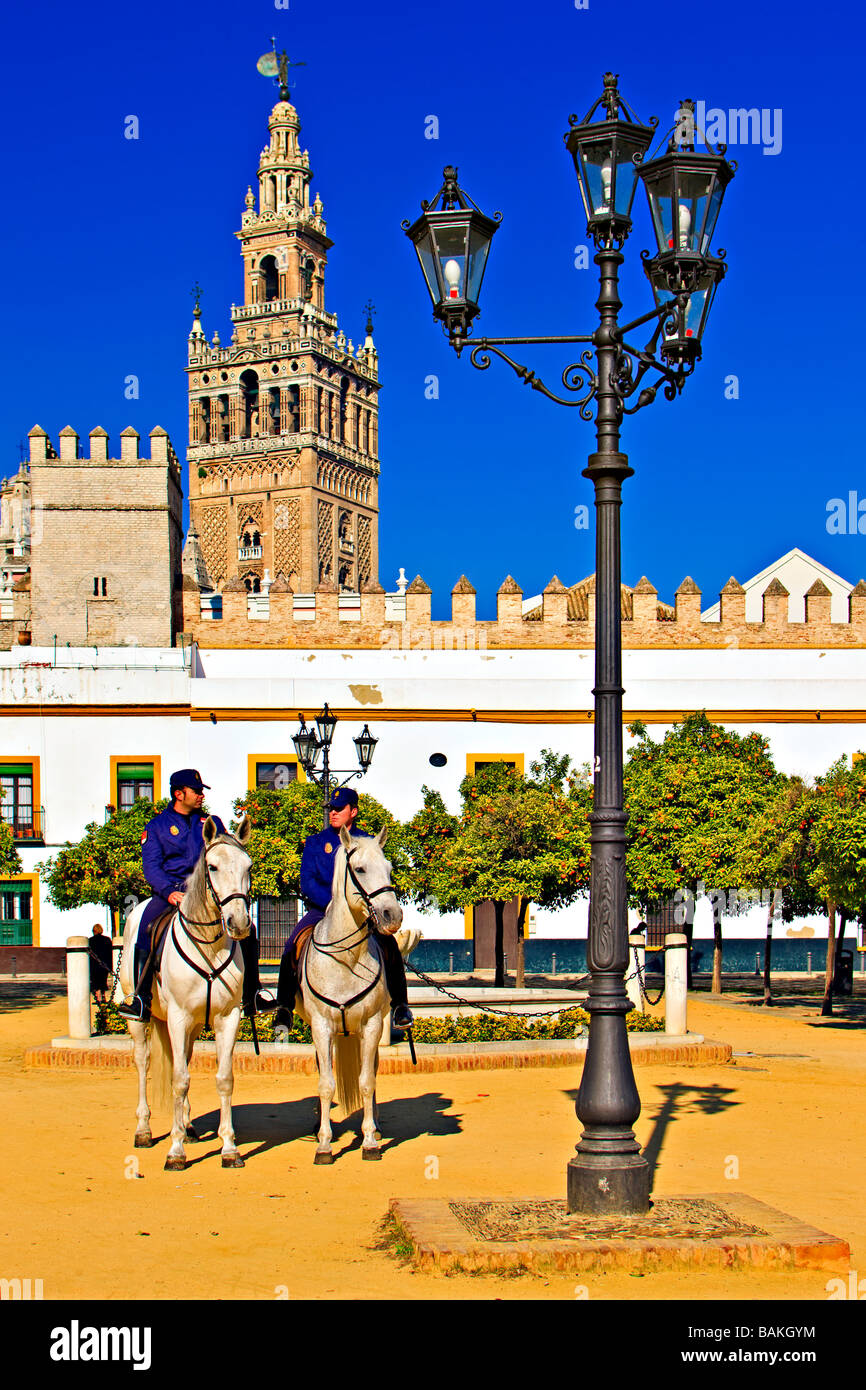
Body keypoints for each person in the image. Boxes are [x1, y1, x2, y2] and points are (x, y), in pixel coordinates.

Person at [116, 769, 275, 1022]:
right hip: (171, 893)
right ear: (179, 794)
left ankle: (252, 992)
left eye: (202, 791)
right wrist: (169, 893)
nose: (201, 796)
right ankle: (141, 997)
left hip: (207, 895)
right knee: (146, 926)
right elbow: (152, 868)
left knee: (248, 929)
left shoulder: (212, 823)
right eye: (197, 791)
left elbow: (226, 859)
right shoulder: (156, 827)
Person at [273, 786, 413, 1031]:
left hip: (361, 912)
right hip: (322, 909)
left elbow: (377, 877)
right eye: (331, 809)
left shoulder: (368, 843)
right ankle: (284, 1007)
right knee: (292, 943)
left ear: (354, 811)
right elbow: (307, 881)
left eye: (339, 809)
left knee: (389, 944)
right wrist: (332, 904)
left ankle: (400, 1005)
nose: (333, 813)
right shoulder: (316, 842)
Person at [89, 923, 113, 1004]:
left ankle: (98, 996)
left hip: (94, 965)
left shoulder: (90, 941)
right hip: (104, 965)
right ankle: (103, 996)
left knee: (95, 981)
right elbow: (110, 952)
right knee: (103, 980)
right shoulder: (107, 940)